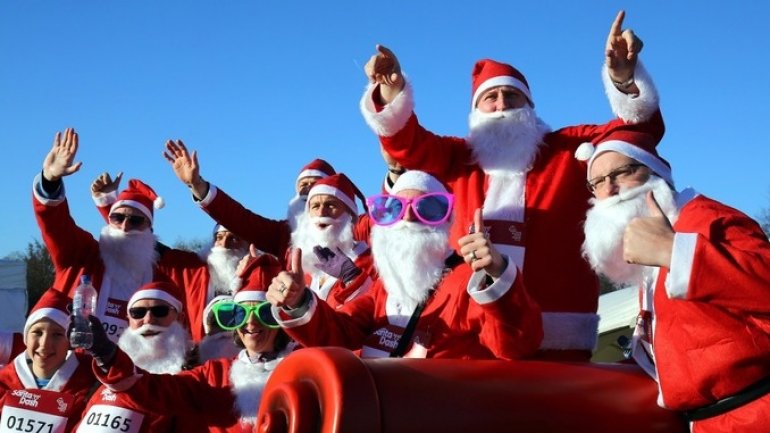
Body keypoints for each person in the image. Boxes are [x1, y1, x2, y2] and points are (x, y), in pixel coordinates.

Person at [358, 11, 663, 360]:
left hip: (560, 337)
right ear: (476, 112)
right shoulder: (458, 158)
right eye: (491, 98)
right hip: (475, 334)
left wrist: (624, 80)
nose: (502, 105)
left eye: (512, 97)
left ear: (530, 107)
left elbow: (638, 136)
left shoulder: (566, 149)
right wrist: (390, 91)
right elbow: (405, 145)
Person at [578, 127, 770, 432]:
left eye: (622, 172)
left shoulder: (708, 220)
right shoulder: (652, 245)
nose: (609, 189)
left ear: (655, 173)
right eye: (597, 182)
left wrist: (676, 253)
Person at [266, 170, 542, 360]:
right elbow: (340, 332)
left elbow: (517, 345)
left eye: (428, 208)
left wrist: (497, 274)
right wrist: (298, 301)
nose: (409, 216)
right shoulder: (386, 287)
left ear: (445, 220)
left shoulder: (465, 281)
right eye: (396, 207)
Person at [33, 128, 206, 341]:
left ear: (149, 231)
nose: (125, 226)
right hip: (77, 367)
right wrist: (50, 180)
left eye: (135, 221)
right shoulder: (81, 257)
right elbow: (54, 224)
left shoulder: (162, 279)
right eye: (117, 218)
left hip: (135, 371)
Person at [78, 266, 295, 433]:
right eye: (239, 314)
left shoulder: (302, 364)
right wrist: (109, 357)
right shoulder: (214, 374)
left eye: (265, 313)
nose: (251, 323)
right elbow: (155, 391)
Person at [163, 140, 346, 262]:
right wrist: (197, 184)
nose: (307, 190)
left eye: (315, 184)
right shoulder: (282, 235)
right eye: (303, 185)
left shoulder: (355, 229)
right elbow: (238, 218)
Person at [76, 280, 206, 433]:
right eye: (138, 313)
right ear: (128, 320)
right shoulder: (103, 377)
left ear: (180, 319)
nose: (148, 320)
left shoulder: (197, 376)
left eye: (160, 311)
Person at [0, 290, 98, 433]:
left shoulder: (90, 382)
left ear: (69, 342)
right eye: (37, 332)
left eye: (57, 334)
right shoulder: (5, 381)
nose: (45, 344)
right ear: (26, 338)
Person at [287, 173, 377, 309]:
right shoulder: (304, 265)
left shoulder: (371, 263)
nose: (321, 212)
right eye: (315, 206)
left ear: (350, 215)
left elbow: (375, 307)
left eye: (330, 205)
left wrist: (353, 279)